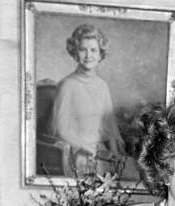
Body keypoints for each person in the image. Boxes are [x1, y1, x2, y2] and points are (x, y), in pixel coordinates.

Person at [50, 24, 124, 175]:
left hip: (101, 151)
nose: (88, 55)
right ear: (75, 53)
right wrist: (87, 148)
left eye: (93, 50)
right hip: (78, 152)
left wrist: (116, 155)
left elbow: (110, 127)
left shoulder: (103, 86)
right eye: (83, 50)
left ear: (100, 54)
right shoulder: (67, 85)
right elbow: (60, 128)